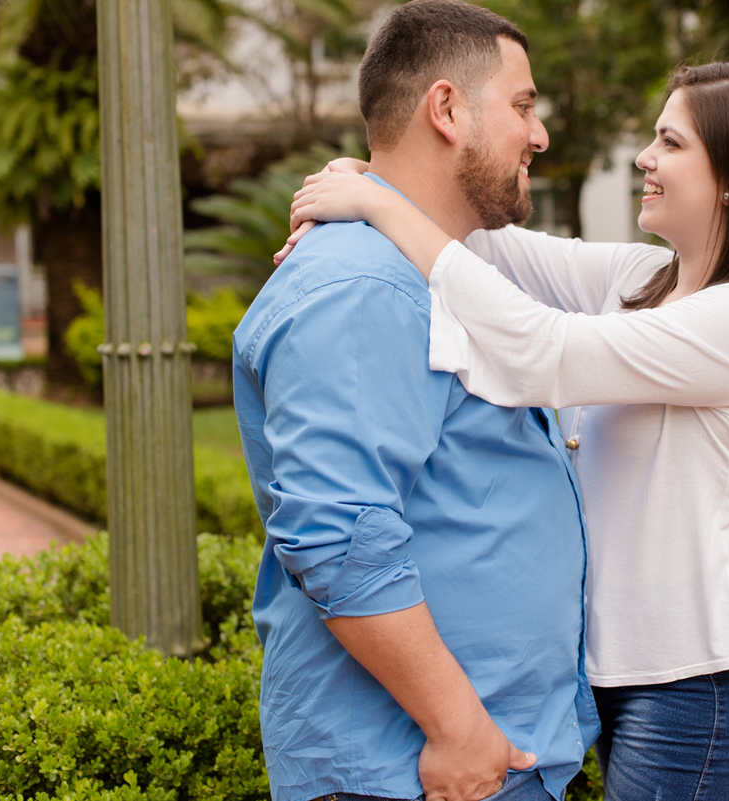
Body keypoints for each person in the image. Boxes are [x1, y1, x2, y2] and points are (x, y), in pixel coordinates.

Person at [282, 61, 729, 801]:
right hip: (637, 671)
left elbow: (545, 351)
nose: (644, 156)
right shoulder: (645, 283)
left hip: (714, 676)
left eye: (670, 143)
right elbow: (483, 247)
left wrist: (374, 205)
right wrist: (376, 177)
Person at [233, 2, 599, 800]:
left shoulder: (420, 269)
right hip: (417, 770)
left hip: (468, 761)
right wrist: (458, 729)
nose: (539, 135)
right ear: (446, 109)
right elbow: (336, 532)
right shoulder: (362, 287)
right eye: (524, 106)